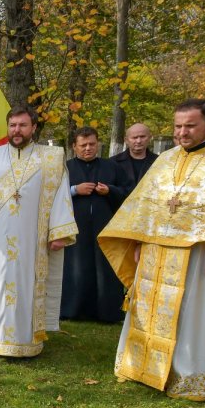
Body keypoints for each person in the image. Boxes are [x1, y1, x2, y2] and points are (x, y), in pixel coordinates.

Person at [99, 98, 205, 401]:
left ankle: (186, 375)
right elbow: (145, 206)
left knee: (192, 315)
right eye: (178, 126)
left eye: (190, 126)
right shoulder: (165, 159)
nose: (182, 132)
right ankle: (142, 366)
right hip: (155, 253)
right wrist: (138, 242)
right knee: (149, 309)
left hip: (199, 256)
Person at [0, 105, 76, 357]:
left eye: (22, 125)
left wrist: (59, 232)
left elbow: (61, 196)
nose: (16, 130)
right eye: (12, 125)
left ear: (33, 127)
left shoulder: (51, 158)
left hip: (33, 239)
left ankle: (27, 341)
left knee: (26, 286)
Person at [62, 126, 126, 322]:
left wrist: (110, 191)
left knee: (105, 269)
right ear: (74, 146)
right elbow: (51, 195)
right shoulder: (65, 168)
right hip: (75, 226)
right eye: (83, 145)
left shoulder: (112, 167)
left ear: (98, 144)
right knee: (76, 268)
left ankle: (107, 312)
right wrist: (74, 190)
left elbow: (127, 193)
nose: (88, 148)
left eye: (92, 144)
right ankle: (72, 310)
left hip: (104, 226)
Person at [110, 122, 159, 196]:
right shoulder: (113, 162)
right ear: (126, 140)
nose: (139, 141)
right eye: (134, 137)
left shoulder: (159, 161)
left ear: (149, 138)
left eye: (142, 137)